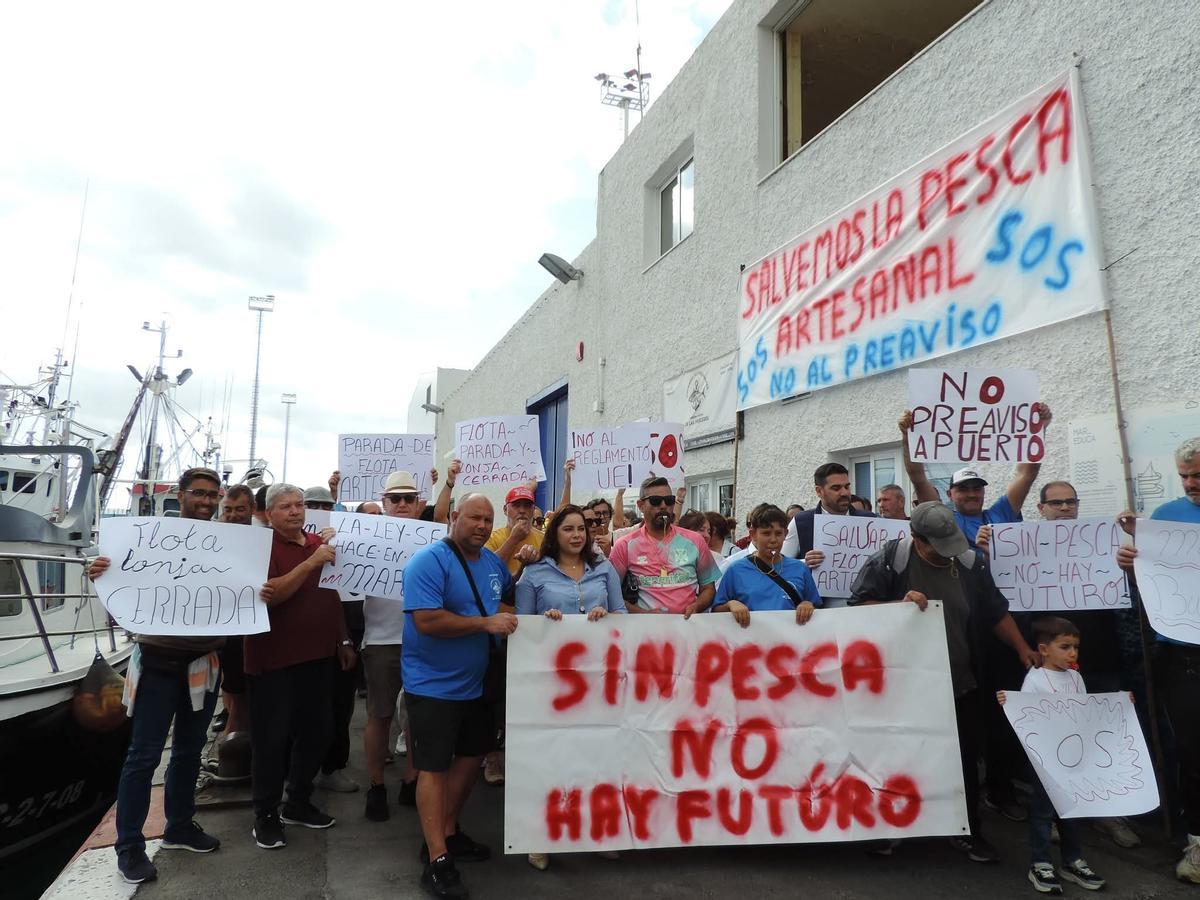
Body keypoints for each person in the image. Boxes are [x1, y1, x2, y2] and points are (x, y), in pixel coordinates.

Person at [849, 501, 1039, 864]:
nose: (947, 552)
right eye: (937, 545)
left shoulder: (970, 563)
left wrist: (1022, 648)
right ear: (916, 539)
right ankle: (893, 829)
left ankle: (966, 830)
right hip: (904, 686)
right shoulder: (892, 560)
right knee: (901, 757)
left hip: (960, 680)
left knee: (964, 760)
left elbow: (995, 610)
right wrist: (898, 605)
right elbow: (858, 606)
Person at [88, 467, 235, 884]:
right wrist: (98, 571)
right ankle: (129, 846)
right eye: (199, 494)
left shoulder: (229, 544)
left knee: (189, 751)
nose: (207, 501)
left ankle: (179, 826)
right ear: (180, 494)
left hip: (204, 664)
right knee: (143, 756)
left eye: (213, 495)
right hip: (156, 661)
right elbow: (112, 573)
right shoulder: (145, 537)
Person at [402, 494, 516, 899]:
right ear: (453, 517)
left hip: (478, 683)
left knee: (471, 757)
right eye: (474, 518)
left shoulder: (492, 563)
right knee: (433, 767)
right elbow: (427, 620)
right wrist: (486, 623)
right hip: (432, 685)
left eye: (488, 519)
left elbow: (505, 598)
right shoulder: (428, 562)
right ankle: (436, 860)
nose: (483, 526)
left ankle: (447, 834)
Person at [515, 504, 625, 871]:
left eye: (582, 528)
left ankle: (599, 833)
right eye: (569, 529)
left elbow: (622, 615)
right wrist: (545, 624)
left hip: (599, 682)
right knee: (551, 758)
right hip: (552, 685)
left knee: (596, 758)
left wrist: (606, 615)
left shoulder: (604, 568)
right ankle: (540, 835)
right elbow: (522, 628)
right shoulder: (533, 574)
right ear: (554, 534)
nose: (578, 535)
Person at [245, 483, 356, 851]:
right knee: (271, 741)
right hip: (273, 662)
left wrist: (342, 639)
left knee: (318, 732)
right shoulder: (260, 548)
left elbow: (332, 595)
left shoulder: (318, 544)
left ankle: (297, 801)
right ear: (268, 513)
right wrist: (311, 562)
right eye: (286, 506)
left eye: (300, 505)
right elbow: (271, 595)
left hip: (317, 658)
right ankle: (265, 814)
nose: (295, 511)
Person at [1117, 436, 1200, 883]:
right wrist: (1132, 559)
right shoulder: (1166, 518)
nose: (1190, 484)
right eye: (1185, 475)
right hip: (1185, 657)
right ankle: (1198, 844)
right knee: (1192, 750)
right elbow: (1151, 583)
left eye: (1198, 475)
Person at [997, 617, 1108, 894]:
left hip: (1072, 758)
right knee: (1043, 811)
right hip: (1045, 760)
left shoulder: (1076, 677)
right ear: (1044, 649)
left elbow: (1085, 710)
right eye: (1065, 647)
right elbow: (1026, 717)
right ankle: (1041, 862)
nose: (1072, 653)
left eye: (1075, 647)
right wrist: (1009, 703)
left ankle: (1072, 860)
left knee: (1070, 810)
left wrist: (1120, 703)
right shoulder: (1034, 680)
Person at [361, 470, 426, 822]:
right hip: (382, 640)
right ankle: (376, 786)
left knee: (417, 713)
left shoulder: (434, 539)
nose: (402, 504)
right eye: (395, 499)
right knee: (380, 714)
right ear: (384, 503)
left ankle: (411, 779)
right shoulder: (362, 537)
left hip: (424, 638)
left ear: (419, 504)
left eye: (408, 498)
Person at [899, 404, 1053, 544]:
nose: (971, 494)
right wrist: (908, 439)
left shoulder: (1001, 513)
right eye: (963, 489)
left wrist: (1038, 429)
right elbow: (918, 478)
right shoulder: (943, 520)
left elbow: (1026, 475)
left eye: (977, 488)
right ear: (949, 494)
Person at [609, 476, 720, 615]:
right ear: (641, 505)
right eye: (655, 501)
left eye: (668, 500)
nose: (663, 506)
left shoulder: (695, 540)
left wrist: (697, 606)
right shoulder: (624, 545)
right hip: (644, 631)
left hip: (686, 628)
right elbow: (612, 595)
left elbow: (708, 588)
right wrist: (642, 614)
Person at [782, 463, 876, 607]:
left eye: (847, 486)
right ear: (819, 491)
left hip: (865, 609)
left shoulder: (870, 521)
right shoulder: (802, 522)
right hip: (817, 613)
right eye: (836, 488)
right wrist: (804, 563)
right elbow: (780, 565)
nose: (844, 493)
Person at [713, 505, 820, 627]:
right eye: (766, 533)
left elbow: (816, 607)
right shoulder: (735, 570)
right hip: (750, 643)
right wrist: (730, 605)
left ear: (786, 534)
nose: (773, 540)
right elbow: (715, 611)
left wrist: (808, 604)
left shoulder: (800, 569)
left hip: (791, 643)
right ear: (753, 535)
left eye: (778, 533)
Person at [214, 484, 256, 746]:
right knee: (229, 683)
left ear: (251, 509)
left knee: (241, 684)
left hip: (248, 624)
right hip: (219, 623)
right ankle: (232, 727)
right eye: (227, 509)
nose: (232, 515)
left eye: (239, 509)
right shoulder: (210, 536)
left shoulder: (262, 539)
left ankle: (237, 735)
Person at [485, 485, 544, 578]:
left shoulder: (544, 539)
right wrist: (513, 539)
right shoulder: (492, 538)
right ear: (505, 510)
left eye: (527, 506)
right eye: (516, 505)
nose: (522, 510)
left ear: (533, 510)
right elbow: (488, 568)